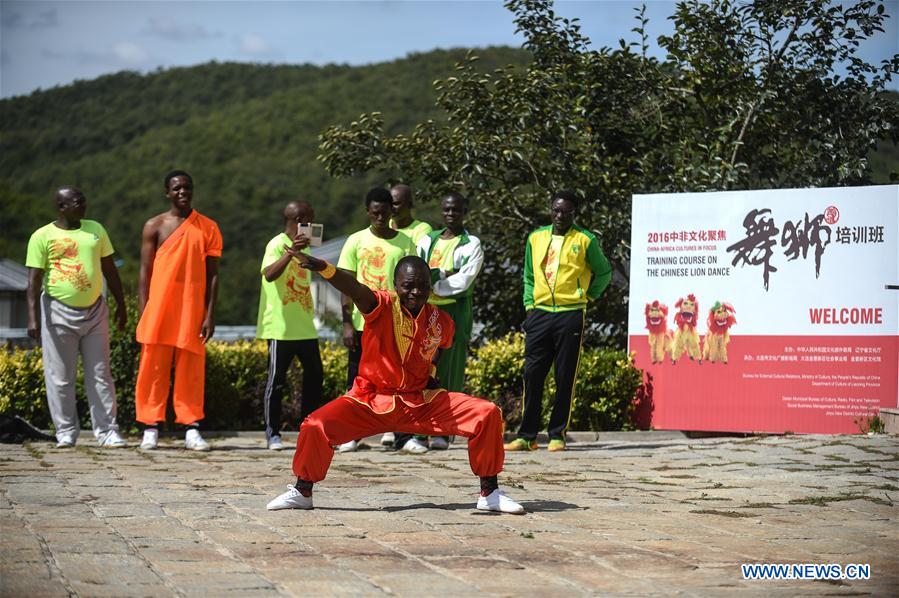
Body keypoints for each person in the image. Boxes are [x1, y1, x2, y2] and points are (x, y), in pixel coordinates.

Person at [266, 254, 524, 514]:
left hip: (420, 402)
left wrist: (431, 370)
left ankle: (489, 492)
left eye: (423, 285)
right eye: (408, 285)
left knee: (486, 413)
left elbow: (440, 346)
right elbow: (355, 289)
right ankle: (302, 491)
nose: (416, 291)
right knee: (315, 425)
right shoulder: (381, 305)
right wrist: (325, 269)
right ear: (396, 284)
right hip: (370, 401)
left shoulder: (439, 319)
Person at [505, 190, 612, 452]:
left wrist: (586, 296)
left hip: (570, 313)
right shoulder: (536, 237)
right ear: (550, 210)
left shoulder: (585, 240)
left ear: (574, 213)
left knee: (564, 376)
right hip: (539, 313)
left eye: (565, 211)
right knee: (532, 375)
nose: (560, 215)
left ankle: (557, 434)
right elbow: (529, 277)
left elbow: (604, 272)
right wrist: (529, 306)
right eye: (556, 210)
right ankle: (527, 435)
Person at [25, 187, 128, 448]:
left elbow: (109, 270)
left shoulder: (96, 230)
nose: (83, 205)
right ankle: (66, 431)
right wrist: (33, 319)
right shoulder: (42, 236)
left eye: (84, 200)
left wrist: (121, 303)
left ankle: (106, 431)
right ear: (61, 207)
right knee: (60, 375)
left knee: (100, 373)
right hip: (57, 311)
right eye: (76, 202)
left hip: (95, 311)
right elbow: (33, 281)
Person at [135, 170, 222, 451]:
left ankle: (191, 427)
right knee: (153, 367)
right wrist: (143, 309)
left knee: (191, 369)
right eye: (177, 188)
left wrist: (210, 314)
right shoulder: (154, 225)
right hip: (159, 307)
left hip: (192, 307)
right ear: (167, 192)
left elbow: (213, 276)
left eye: (187, 187)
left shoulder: (208, 227)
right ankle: (150, 426)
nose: (182, 192)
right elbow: (144, 272)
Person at [394, 191, 483, 452]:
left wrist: (434, 282)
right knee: (421, 370)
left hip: (454, 312)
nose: (451, 214)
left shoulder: (472, 244)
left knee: (450, 372)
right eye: (446, 209)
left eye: (456, 210)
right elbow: (420, 271)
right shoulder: (427, 240)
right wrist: (442, 274)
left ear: (464, 212)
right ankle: (419, 431)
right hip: (426, 310)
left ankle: (443, 430)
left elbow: (464, 281)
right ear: (441, 211)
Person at [334, 187, 416, 453]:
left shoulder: (405, 242)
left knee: (401, 379)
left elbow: (412, 284)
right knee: (358, 380)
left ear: (393, 210)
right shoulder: (355, 241)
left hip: (394, 323)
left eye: (385, 212)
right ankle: (351, 434)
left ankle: (403, 435)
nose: (380, 217)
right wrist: (347, 323)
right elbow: (345, 285)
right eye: (375, 213)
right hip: (362, 323)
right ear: (368, 212)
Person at [256, 201, 324, 451]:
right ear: (299, 220)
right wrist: (289, 252)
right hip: (280, 328)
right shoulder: (276, 244)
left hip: (305, 326)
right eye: (310, 219)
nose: (313, 224)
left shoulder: (306, 247)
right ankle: (273, 433)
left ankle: (309, 428)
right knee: (276, 380)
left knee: (315, 377)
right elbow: (269, 274)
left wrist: (307, 256)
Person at [384, 183, 433, 450]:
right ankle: (392, 426)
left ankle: (413, 431)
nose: (393, 209)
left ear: (409, 204)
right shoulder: (383, 231)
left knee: (415, 371)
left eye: (398, 203)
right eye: (390, 203)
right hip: (389, 312)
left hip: (413, 311)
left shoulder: (420, 231)